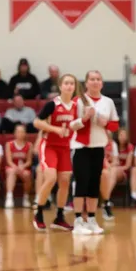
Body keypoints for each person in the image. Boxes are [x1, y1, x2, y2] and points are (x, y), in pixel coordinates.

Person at [69, 70, 119, 234]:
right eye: (92, 79)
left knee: (94, 184)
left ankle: (91, 219)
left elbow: (115, 125)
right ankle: (78, 221)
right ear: (86, 83)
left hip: (99, 147)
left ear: (102, 83)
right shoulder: (78, 101)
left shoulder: (108, 102)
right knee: (81, 183)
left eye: (98, 79)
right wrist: (84, 119)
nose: (95, 82)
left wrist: (105, 123)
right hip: (80, 147)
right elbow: (71, 125)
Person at [32, 74, 79, 232]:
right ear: (60, 86)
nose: (69, 86)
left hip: (65, 147)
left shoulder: (75, 106)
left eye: (72, 83)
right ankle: (38, 212)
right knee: (51, 178)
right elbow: (36, 122)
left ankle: (59, 217)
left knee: (65, 181)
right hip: (49, 146)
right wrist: (55, 129)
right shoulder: (52, 104)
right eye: (66, 83)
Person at [4, 124, 33, 208]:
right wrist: (16, 168)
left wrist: (22, 167)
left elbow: (29, 161)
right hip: (12, 166)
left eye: (22, 132)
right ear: (15, 133)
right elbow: (9, 161)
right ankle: (9, 198)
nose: (20, 133)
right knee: (11, 172)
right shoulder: (9, 144)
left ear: (25, 134)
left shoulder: (29, 145)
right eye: (18, 131)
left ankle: (26, 197)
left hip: (23, 167)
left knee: (27, 174)